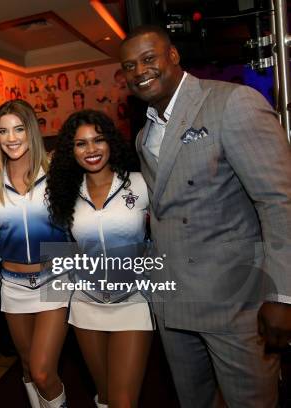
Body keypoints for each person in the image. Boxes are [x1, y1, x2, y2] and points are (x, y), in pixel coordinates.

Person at [119, 25, 291, 407]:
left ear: (173, 56)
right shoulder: (144, 133)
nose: (139, 71)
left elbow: (279, 201)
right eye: (129, 66)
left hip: (235, 303)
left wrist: (283, 292)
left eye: (149, 59)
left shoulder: (232, 103)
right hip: (174, 303)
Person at [47, 110, 153, 408]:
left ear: (111, 143)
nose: (91, 150)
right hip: (86, 304)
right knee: (106, 396)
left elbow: (165, 232)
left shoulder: (140, 183)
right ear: (71, 150)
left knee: (122, 400)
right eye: (81, 144)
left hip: (133, 300)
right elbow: (64, 250)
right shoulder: (65, 193)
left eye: (98, 140)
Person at [0, 100, 69, 408]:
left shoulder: (56, 174)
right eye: (3, 131)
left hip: (54, 280)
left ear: (31, 131)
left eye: (18, 129)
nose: (11, 138)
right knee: (26, 367)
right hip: (12, 285)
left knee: (42, 370)